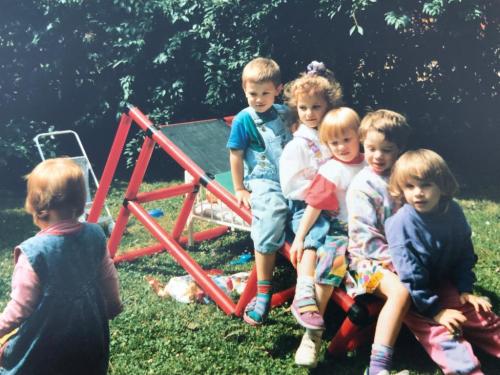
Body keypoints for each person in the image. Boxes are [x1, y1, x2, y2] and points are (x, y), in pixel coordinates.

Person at [0, 158, 122, 375]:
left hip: (45, 350)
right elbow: (109, 277)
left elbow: (20, 308)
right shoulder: (95, 234)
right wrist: (113, 304)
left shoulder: (33, 253)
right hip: (88, 338)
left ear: (36, 206)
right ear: (80, 200)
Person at [386, 149, 500, 375]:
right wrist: (436, 311)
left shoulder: (453, 212)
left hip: (441, 280)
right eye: (409, 187)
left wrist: (465, 289)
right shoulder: (400, 224)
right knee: (444, 333)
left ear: (442, 185)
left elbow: (463, 254)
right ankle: (466, 369)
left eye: (426, 185)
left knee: (482, 317)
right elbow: (411, 276)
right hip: (412, 295)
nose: (418, 193)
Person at [288, 107, 366, 367]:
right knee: (332, 263)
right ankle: (312, 335)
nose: (341, 147)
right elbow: (315, 206)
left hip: (369, 231)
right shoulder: (332, 169)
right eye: (334, 142)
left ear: (360, 136)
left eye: (347, 139)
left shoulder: (369, 163)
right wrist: (299, 238)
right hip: (340, 229)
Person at [344, 109, 412, 375]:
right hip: (366, 263)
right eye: (371, 148)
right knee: (401, 291)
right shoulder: (363, 186)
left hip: (401, 256)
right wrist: (400, 262)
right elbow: (365, 241)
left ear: (399, 150)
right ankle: (378, 367)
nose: (377, 156)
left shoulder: (403, 177)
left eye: (387, 149)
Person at [226, 57, 292, 326]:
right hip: (264, 180)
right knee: (271, 215)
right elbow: (236, 154)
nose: (258, 99)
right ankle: (264, 291)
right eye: (252, 93)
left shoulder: (287, 113)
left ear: (278, 89)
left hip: (291, 177)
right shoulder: (244, 119)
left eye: (265, 93)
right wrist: (240, 187)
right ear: (244, 90)